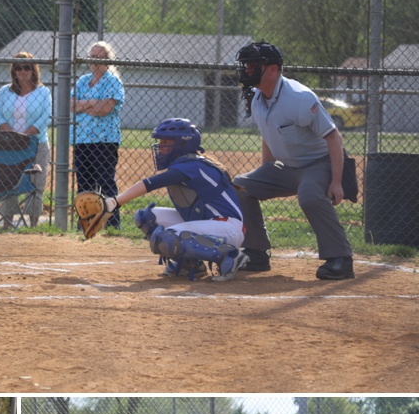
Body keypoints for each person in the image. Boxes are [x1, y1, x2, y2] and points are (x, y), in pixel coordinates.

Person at [233, 41, 355, 280]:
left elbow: (333, 137)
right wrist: (267, 170)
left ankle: (341, 258)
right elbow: (268, 135)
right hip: (289, 167)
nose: (247, 69)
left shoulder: (299, 97)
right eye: (246, 64)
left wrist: (337, 183)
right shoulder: (257, 97)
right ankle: (256, 253)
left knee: (309, 196)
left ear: (273, 69)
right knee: (240, 186)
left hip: (319, 163)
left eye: (254, 64)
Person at [102, 119, 247, 281]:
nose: (160, 147)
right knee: (146, 218)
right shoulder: (186, 163)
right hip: (210, 223)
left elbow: (150, 184)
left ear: (182, 144)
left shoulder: (190, 165)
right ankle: (190, 265)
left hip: (226, 227)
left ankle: (229, 255)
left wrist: (114, 203)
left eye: (166, 142)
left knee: (168, 237)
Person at [0, 52, 52, 229]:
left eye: (27, 67)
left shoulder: (43, 92)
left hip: (37, 144)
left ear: (34, 70)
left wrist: (27, 135)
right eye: (18, 67)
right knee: (10, 183)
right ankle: (7, 224)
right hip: (10, 145)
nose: (23, 71)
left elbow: (46, 116)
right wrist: (11, 135)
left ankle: (32, 226)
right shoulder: (5, 91)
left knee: (37, 184)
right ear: (14, 71)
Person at [71, 41, 124, 229]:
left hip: (104, 141)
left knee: (105, 182)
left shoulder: (113, 81)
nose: (95, 61)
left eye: (99, 57)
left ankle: (112, 224)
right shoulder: (83, 81)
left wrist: (84, 105)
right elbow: (71, 105)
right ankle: (87, 224)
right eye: (92, 57)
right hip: (81, 139)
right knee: (84, 184)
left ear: (107, 61)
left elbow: (105, 109)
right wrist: (93, 102)